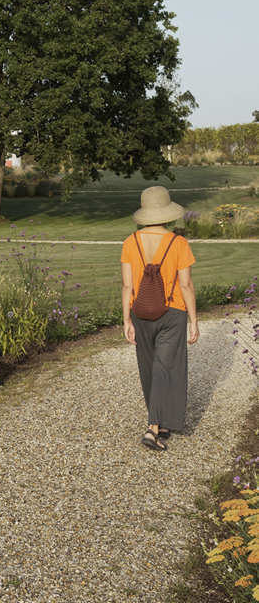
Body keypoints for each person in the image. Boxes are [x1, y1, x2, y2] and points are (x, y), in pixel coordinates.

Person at [121, 186, 199, 451]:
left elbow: (127, 286)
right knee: (165, 367)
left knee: (149, 367)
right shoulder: (179, 243)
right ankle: (153, 428)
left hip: (140, 312)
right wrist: (194, 320)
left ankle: (163, 423)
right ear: (168, 212)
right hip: (172, 312)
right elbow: (186, 285)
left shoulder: (130, 242)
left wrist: (126, 321)